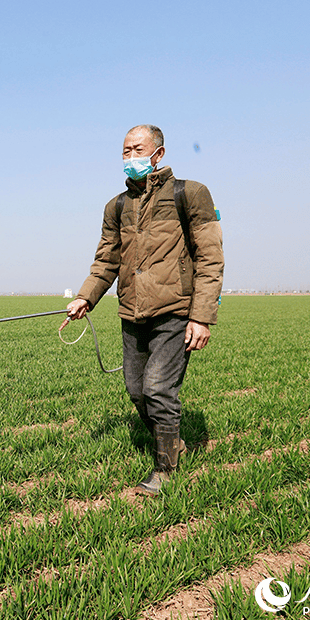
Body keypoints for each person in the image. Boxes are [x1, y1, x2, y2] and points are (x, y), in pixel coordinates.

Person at [66, 124, 224, 496]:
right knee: (137, 391)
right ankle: (174, 441)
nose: (130, 157)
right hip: (132, 312)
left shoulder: (191, 193)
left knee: (157, 388)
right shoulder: (117, 206)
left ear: (159, 153)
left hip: (175, 311)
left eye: (138, 149)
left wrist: (201, 316)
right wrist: (86, 296)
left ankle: (165, 469)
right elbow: (106, 260)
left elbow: (210, 257)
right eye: (125, 151)